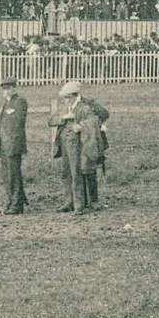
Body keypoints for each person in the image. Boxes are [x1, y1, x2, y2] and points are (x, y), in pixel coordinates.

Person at [49, 80, 104, 216]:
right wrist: (63, 118)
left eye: (68, 97)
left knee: (76, 173)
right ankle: (69, 201)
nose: (66, 100)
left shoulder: (84, 108)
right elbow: (50, 121)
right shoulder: (63, 108)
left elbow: (94, 121)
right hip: (63, 143)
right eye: (65, 98)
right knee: (65, 172)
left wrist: (81, 126)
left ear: (75, 96)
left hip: (77, 145)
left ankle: (79, 204)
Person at [0, 76, 28, 215]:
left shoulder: (20, 102)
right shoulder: (6, 104)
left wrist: (13, 144)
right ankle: (11, 201)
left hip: (13, 145)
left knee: (13, 175)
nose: (6, 91)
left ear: (14, 88)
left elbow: (17, 125)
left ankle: (16, 205)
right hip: (4, 145)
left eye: (8, 88)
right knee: (7, 176)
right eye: (4, 88)